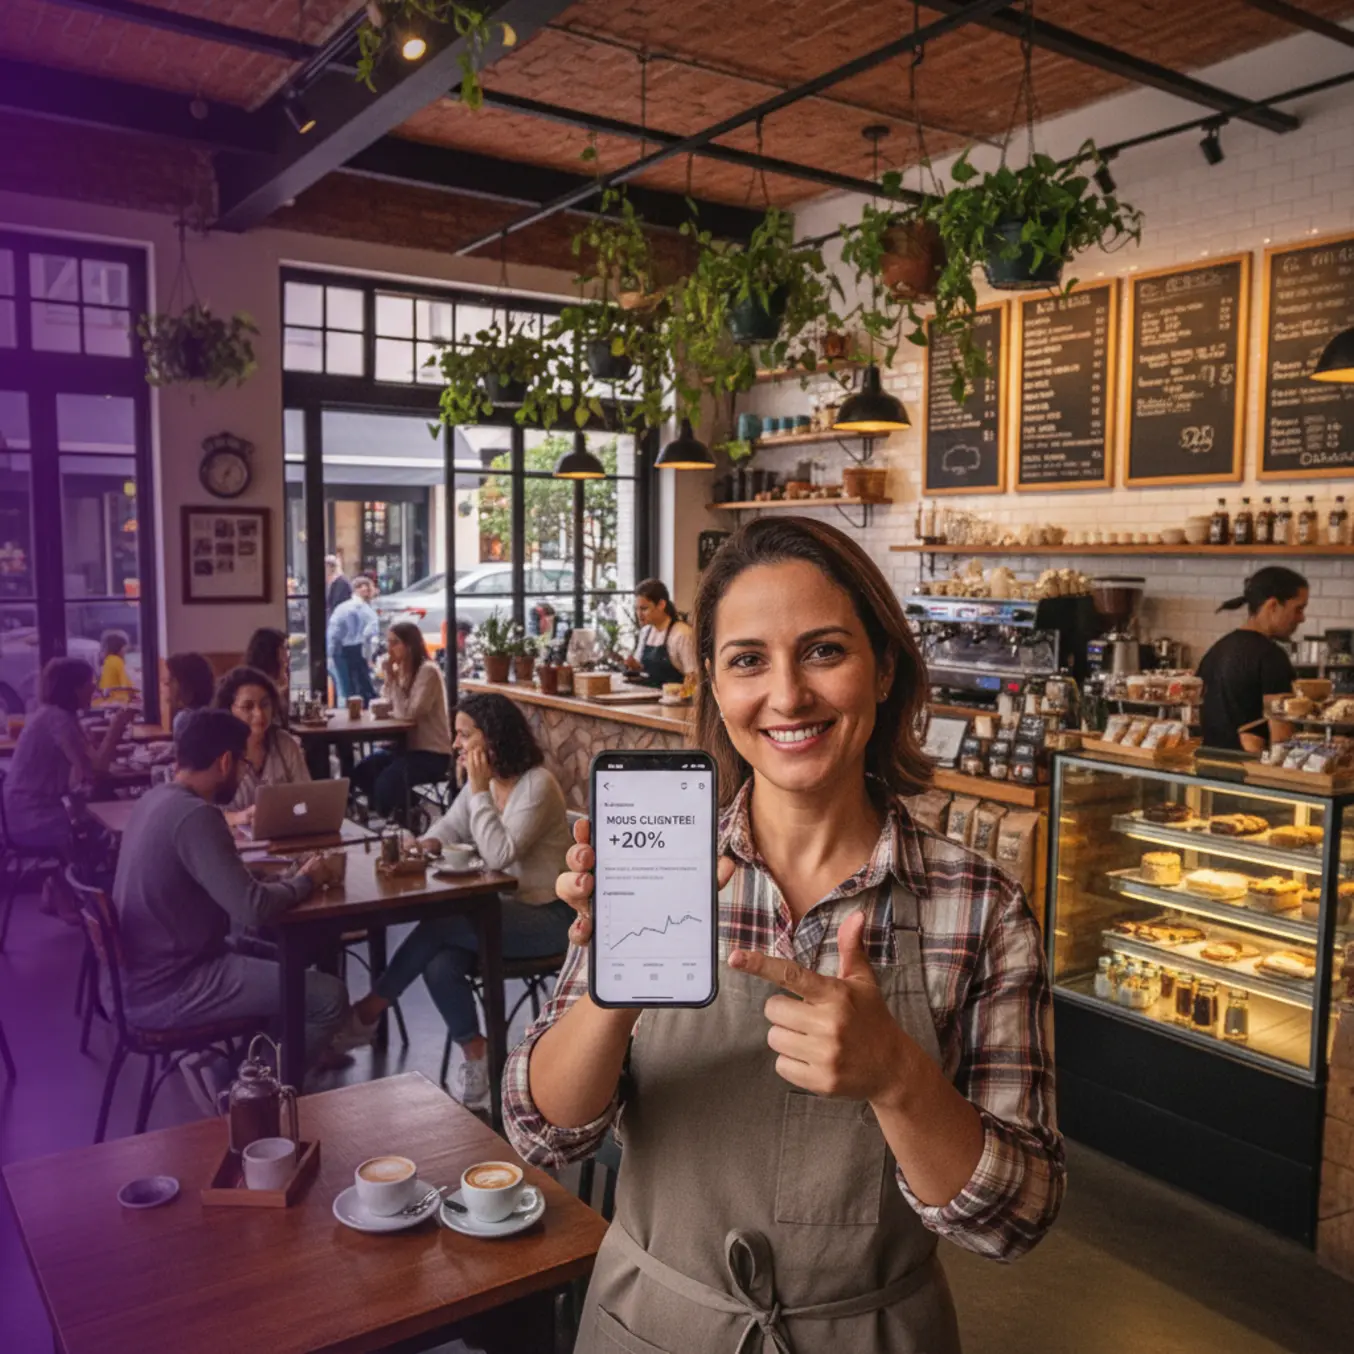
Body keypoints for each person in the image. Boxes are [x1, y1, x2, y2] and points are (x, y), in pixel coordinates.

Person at [505, 517, 1063, 1353]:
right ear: (716, 691)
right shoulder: (660, 860)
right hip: (653, 1324)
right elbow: (543, 1131)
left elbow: (1014, 1219)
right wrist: (621, 981)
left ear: (883, 671)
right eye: (747, 660)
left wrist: (898, 1079)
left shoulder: (978, 904)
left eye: (826, 650)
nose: (788, 695)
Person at [333, 691, 572, 1109]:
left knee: (442, 922)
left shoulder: (537, 785)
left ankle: (369, 1011)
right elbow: (449, 827)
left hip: (546, 919)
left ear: (493, 739)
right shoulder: (489, 784)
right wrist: (420, 844)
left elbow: (499, 854)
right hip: (497, 914)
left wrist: (478, 790)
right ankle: (477, 1054)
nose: (456, 744)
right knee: (439, 962)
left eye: (465, 735)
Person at [112, 709, 347, 1110]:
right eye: (242, 761)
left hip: (149, 976)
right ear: (225, 761)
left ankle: (235, 1072)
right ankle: (246, 1100)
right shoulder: (196, 816)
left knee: (288, 966)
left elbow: (232, 891)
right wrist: (305, 879)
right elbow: (252, 908)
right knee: (329, 997)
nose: (243, 771)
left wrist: (278, 883)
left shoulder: (156, 799)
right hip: (177, 986)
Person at [3, 657, 132, 919]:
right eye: (89, 684)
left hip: (19, 810)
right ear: (74, 689)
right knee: (103, 834)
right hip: (31, 817)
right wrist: (117, 727)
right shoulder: (59, 720)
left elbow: (81, 769)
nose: (94, 689)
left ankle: (57, 889)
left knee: (98, 818)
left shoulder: (52, 715)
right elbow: (95, 771)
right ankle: (85, 898)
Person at [1198, 566, 1308, 753]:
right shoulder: (1271, 657)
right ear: (1273, 606)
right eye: (1298, 609)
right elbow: (1281, 739)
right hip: (1249, 774)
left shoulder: (1218, 649)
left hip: (1206, 770)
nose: (1302, 618)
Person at [351, 622, 451, 821]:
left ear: (410, 645)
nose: (389, 649)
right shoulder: (402, 671)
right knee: (362, 771)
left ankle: (396, 819)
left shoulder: (427, 671)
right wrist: (391, 680)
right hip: (405, 748)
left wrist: (392, 678)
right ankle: (406, 809)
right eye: (388, 643)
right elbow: (388, 703)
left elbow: (410, 713)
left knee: (387, 783)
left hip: (431, 752)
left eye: (395, 643)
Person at [212, 667, 309, 823]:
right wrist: (237, 817)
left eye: (265, 704)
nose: (259, 714)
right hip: (230, 841)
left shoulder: (285, 744)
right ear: (229, 709)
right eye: (248, 707)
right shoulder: (216, 750)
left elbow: (307, 800)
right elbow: (199, 815)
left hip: (282, 837)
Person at [623, 578, 696, 688]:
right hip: (647, 700)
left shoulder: (682, 634)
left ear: (661, 604)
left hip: (676, 702)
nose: (639, 614)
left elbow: (695, 677)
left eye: (644, 609)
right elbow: (645, 670)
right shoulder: (645, 632)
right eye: (636, 609)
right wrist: (635, 666)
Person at [327, 576, 379, 704]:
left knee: (345, 689)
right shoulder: (368, 611)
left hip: (341, 650)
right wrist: (369, 657)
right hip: (359, 649)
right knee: (362, 687)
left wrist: (329, 653)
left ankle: (347, 715)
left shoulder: (342, 608)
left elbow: (333, 634)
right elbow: (370, 636)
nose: (365, 590)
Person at [161, 652, 216, 740]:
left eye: (171, 679)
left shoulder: (185, 720)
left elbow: (182, 752)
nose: (166, 683)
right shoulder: (206, 715)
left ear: (186, 686)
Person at [243, 627, 291, 721]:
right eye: (284, 648)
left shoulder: (276, 681)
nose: (287, 654)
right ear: (271, 652)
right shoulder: (254, 684)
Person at [97, 630, 135, 703]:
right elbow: (128, 688)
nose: (126, 651)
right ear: (119, 647)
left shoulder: (108, 661)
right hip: (116, 703)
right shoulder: (115, 661)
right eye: (125, 647)